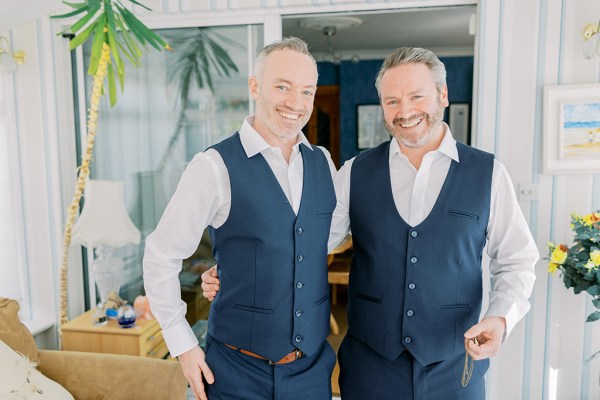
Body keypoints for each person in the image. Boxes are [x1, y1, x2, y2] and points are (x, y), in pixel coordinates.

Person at [202, 47, 539, 399]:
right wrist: (234, 269)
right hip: (370, 371)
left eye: (416, 96)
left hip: (455, 367)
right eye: (392, 101)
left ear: (443, 94)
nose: (405, 111)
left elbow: (517, 259)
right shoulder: (353, 173)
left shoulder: (488, 174)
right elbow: (304, 243)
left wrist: (501, 317)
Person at [144, 37, 337, 400]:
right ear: (254, 86)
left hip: (311, 372)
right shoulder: (213, 166)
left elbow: (320, 238)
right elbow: (161, 254)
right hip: (236, 374)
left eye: (307, 91)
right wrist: (183, 345)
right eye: (283, 86)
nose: (296, 103)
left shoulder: (323, 162)